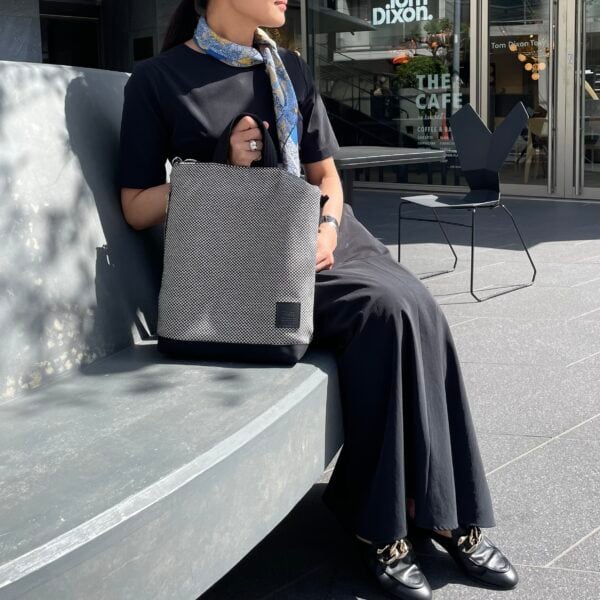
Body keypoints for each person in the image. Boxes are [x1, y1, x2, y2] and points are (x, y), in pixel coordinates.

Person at [117, 1, 519, 598]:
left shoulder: (289, 70)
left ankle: (443, 510)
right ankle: (380, 524)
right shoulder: (158, 80)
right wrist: (217, 168)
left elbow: (325, 177)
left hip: (318, 234)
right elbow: (135, 205)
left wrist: (327, 228)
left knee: (418, 305)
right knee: (383, 312)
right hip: (244, 255)